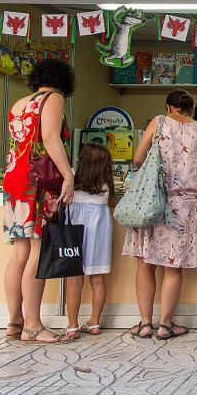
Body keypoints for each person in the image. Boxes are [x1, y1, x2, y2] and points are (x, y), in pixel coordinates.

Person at [123, 90, 197, 341]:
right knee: (173, 268)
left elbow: (138, 158)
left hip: (153, 202)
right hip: (183, 205)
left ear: (168, 107)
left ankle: (144, 324)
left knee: (145, 263)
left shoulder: (159, 122)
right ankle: (165, 325)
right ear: (190, 108)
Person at [1, 58, 77, 344]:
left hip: (13, 178)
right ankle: (33, 325)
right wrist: (68, 175)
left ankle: (15, 321)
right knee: (38, 250)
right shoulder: (53, 98)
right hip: (38, 181)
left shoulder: (19, 103)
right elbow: (49, 138)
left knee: (19, 251)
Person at [63, 143, 114, 339]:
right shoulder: (105, 187)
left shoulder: (72, 182)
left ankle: (72, 326)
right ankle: (94, 322)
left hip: (74, 235)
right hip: (99, 237)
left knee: (74, 281)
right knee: (98, 280)